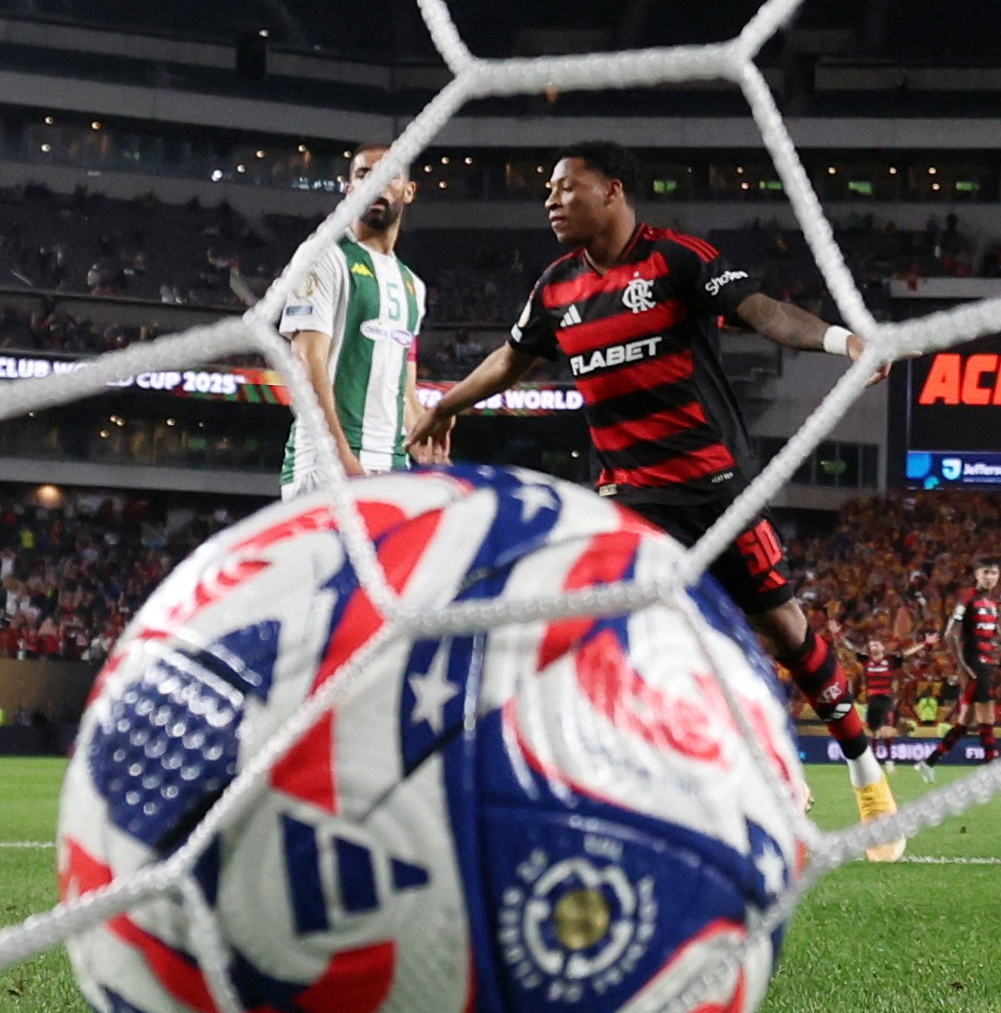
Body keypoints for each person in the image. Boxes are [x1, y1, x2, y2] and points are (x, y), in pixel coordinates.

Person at [408, 142, 905, 858]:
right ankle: (659, 791)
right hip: (626, 501)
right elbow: (512, 357)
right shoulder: (554, 288)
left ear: (611, 191)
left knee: (788, 634)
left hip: (713, 489)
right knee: (611, 639)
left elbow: (761, 310)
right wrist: (445, 403)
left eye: (565, 188)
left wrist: (842, 341)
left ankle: (865, 775)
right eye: (546, 190)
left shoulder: (675, 259)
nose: (549, 200)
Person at [279, 145, 432, 496]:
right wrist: (340, 457)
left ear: (408, 191)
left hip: (391, 465)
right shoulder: (324, 256)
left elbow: (405, 390)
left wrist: (427, 449)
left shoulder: (413, 284)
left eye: (389, 174)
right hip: (325, 465)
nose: (375, 182)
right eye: (364, 175)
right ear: (351, 190)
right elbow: (306, 361)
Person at [925, 559, 1001, 773]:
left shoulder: (992, 603)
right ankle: (992, 766)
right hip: (975, 664)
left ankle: (928, 763)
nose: (990, 577)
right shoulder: (969, 598)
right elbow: (950, 634)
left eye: (994, 573)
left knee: (965, 722)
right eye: (986, 572)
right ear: (977, 574)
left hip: (986, 663)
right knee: (986, 716)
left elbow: (988, 636)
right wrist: (963, 667)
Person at [858, 637, 902, 761]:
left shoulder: (890, 661)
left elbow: (906, 653)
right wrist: (837, 634)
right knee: (874, 731)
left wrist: (925, 643)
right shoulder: (866, 661)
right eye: (871, 645)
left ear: (883, 648)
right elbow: (848, 648)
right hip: (872, 700)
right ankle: (873, 758)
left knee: (886, 730)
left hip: (886, 699)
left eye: (876, 644)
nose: (874, 646)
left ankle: (889, 759)